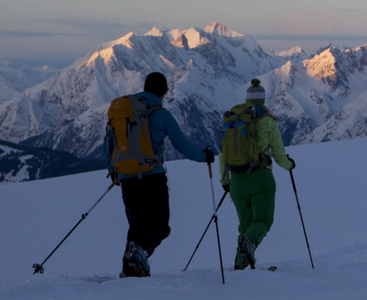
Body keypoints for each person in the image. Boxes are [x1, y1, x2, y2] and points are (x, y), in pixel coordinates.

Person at [105, 71, 214, 277]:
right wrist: (204, 156)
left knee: (136, 226)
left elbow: (108, 144)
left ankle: (130, 270)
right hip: (152, 176)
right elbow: (183, 146)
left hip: (127, 178)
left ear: (145, 88)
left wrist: (113, 170)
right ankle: (138, 255)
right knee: (160, 226)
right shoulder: (161, 114)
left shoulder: (124, 114)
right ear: (164, 91)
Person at [219, 78, 294, 270]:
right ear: (263, 100)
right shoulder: (268, 122)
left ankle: (240, 264)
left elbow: (224, 153)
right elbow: (278, 154)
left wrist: (225, 180)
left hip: (237, 181)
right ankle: (249, 246)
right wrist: (289, 165)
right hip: (261, 178)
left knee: (245, 225)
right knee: (262, 221)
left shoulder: (233, 120)